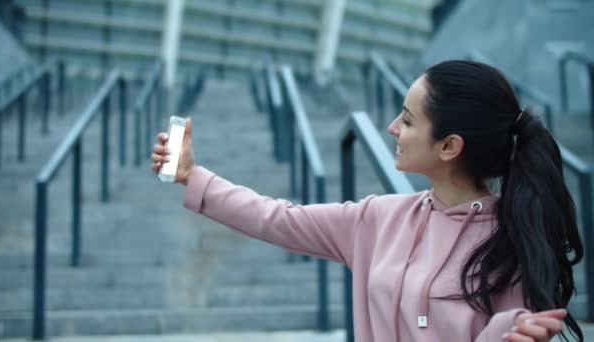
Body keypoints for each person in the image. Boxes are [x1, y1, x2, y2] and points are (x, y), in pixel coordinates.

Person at [151, 60, 583, 342]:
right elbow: (276, 218)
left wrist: (507, 331)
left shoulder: (511, 241)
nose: (393, 127)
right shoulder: (378, 219)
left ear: (449, 146)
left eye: (409, 120)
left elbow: (509, 329)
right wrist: (192, 175)